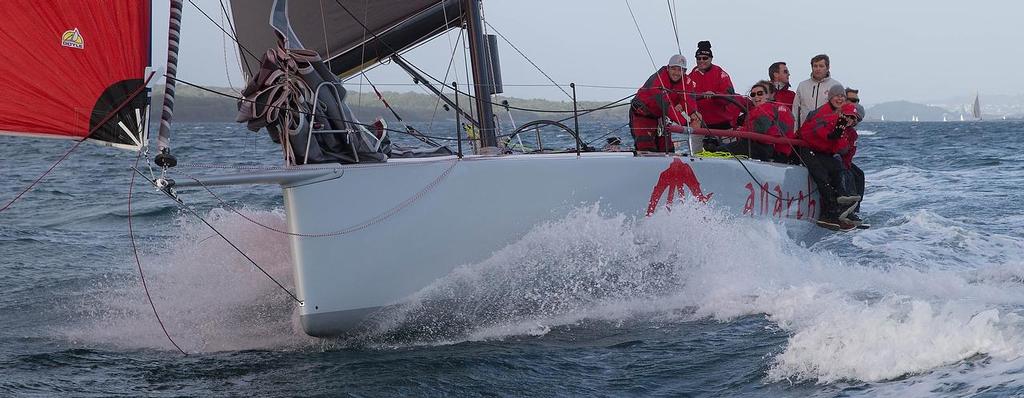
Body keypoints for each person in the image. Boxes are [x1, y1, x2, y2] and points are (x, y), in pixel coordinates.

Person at [794, 84, 860, 228]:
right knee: (821, 174)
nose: (840, 98)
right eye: (837, 95)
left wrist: (841, 135)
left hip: (820, 150)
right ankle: (829, 212)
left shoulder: (841, 119)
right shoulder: (824, 113)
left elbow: (840, 148)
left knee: (840, 169)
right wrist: (834, 134)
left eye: (842, 96)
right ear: (830, 97)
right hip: (805, 147)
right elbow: (819, 132)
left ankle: (844, 207)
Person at [630, 54, 702, 152]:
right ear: (668, 68)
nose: (676, 73)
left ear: (684, 71)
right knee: (646, 148)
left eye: (680, 70)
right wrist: (685, 122)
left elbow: (689, 99)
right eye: (673, 69)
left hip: (661, 117)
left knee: (667, 149)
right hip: (643, 115)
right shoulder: (658, 79)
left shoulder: (687, 81)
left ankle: (696, 154)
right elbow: (665, 104)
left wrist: (693, 114)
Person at [723, 80, 794, 162]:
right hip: (782, 154)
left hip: (764, 150)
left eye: (760, 93)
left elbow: (760, 128)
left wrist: (739, 131)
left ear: (768, 95)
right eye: (753, 94)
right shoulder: (784, 109)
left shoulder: (766, 108)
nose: (756, 96)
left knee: (717, 150)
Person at [688, 41, 740, 131]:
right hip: (699, 125)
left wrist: (715, 95)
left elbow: (729, 97)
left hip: (722, 124)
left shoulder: (721, 74)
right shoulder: (690, 77)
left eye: (705, 58)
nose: (701, 61)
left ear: (711, 59)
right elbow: (684, 97)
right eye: (698, 58)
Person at [793, 54, 843, 128]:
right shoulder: (802, 85)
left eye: (821, 66)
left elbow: (841, 109)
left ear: (828, 68)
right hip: (805, 131)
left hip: (826, 131)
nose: (818, 69)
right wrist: (795, 131)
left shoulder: (836, 86)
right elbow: (795, 110)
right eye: (815, 66)